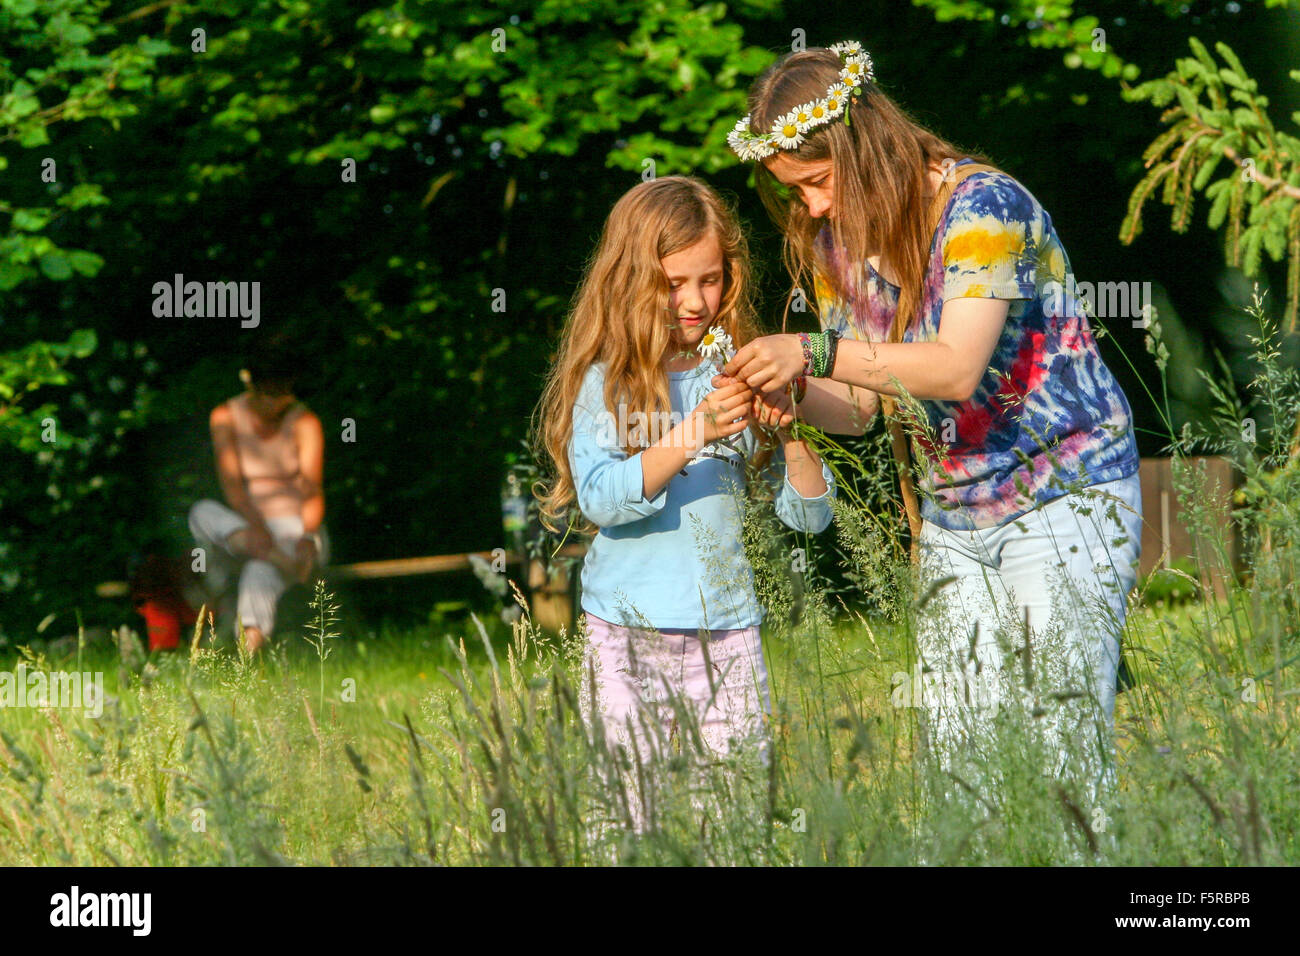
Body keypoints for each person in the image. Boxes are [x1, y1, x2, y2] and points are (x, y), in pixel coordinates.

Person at [720, 41, 1143, 799]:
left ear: (862, 148)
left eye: (817, 183)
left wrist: (811, 349)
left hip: (1064, 494)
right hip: (953, 520)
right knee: (958, 772)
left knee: (1063, 758)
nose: (811, 207)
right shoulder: (833, 246)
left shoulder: (985, 208)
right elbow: (858, 407)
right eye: (795, 192)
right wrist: (786, 399)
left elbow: (953, 367)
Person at [534, 175, 836, 827]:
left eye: (710, 279)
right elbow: (602, 499)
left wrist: (790, 435)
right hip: (626, 635)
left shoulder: (737, 369)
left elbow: (811, 517)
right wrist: (694, 430)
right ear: (632, 280)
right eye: (673, 284)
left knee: (730, 821)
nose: (696, 301)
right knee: (624, 820)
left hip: (727, 634)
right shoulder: (606, 381)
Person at [188, 335, 327, 654]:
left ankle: (248, 654)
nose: (275, 402)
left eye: (283, 393)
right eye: (268, 393)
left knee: (258, 571)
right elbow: (233, 486)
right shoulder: (225, 416)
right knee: (202, 512)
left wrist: (307, 538)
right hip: (245, 529)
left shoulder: (304, 421)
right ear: (250, 383)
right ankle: (238, 576)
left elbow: (312, 489)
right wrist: (258, 532)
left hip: (293, 528)